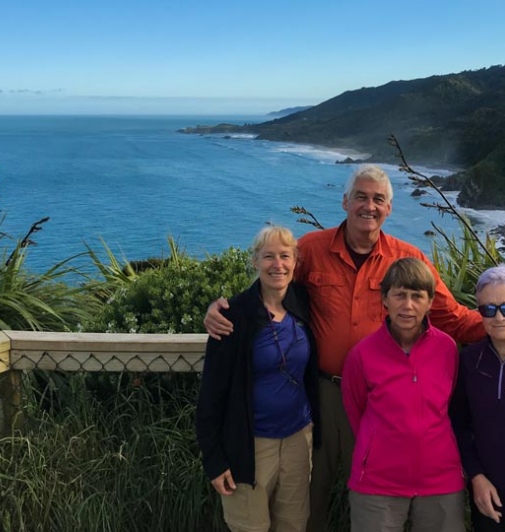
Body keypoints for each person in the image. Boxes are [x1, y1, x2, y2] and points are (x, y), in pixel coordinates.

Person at [204, 164, 485, 530]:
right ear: (345, 202)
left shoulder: (408, 259)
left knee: (375, 494)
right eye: (361, 197)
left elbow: (454, 317)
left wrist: (500, 324)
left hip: (378, 401)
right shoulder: (312, 249)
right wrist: (220, 309)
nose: (369, 206)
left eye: (378, 200)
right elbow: (270, 288)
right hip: (317, 397)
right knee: (308, 497)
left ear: (388, 209)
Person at [196, 225, 320, 532]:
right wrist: (214, 460)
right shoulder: (233, 316)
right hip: (250, 446)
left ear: (295, 262)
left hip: (297, 439)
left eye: (284, 256)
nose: (277, 264)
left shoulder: (303, 302)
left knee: (293, 525)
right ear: (255, 262)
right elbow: (211, 395)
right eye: (268, 257)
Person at [342, 257, 465, 532]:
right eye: (399, 295)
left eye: (417, 297)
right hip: (377, 482)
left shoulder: (447, 349)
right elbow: (356, 411)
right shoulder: (362, 355)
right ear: (385, 299)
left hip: (441, 481)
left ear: (430, 301)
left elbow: (451, 405)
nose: (407, 306)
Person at [450, 264, 505, 531]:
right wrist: (476, 476)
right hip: (489, 494)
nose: (498, 317)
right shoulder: (469, 362)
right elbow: (459, 426)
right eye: (489, 309)